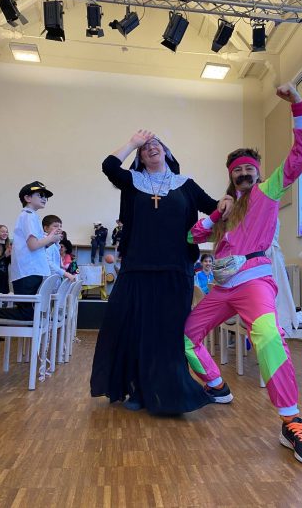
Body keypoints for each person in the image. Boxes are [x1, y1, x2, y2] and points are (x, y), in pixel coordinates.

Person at [184, 83, 302, 466]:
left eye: (249, 169)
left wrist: (298, 105)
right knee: (185, 337)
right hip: (222, 287)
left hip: (255, 282)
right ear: (231, 176)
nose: (244, 173)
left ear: (257, 173)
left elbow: (300, 155)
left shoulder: (267, 192)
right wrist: (217, 213)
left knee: (268, 337)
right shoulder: (225, 209)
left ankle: (291, 422)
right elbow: (193, 236)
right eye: (238, 170)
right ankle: (217, 385)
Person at [90, 130, 232, 414]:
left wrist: (228, 199)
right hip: (137, 269)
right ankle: (138, 390)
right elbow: (109, 166)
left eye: (156, 145)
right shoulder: (133, 181)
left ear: (167, 153)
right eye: (145, 148)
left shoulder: (185, 184)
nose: (151, 148)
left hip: (176, 270)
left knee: (168, 333)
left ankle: (168, 391)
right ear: (140, 158)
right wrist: (132, 142)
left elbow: (215, 209)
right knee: (134, 330)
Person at [0, 181, 61, 320]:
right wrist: (51, 237)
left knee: (31, 312)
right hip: (28, 271)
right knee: (28, 313)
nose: (44, 198)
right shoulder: (28, 215)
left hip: (32, 270)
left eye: (45, 196)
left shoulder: (32, 216)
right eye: (40, 195)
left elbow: (36, 246)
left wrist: (51, 239)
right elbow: (33, 245)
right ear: (27, 198)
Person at [42, 215, 75, 284]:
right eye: (55, 226)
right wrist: (65, 273)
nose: (59, 229)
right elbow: (48, 263)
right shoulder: (45, 241)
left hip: (53, 279)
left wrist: (57, 241)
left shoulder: (54, 243)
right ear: (46, 228)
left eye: (60, 226)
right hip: (47, 279)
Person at [0, 224, 12, 294]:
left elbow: (11, 263)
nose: (5, 233)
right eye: (2, 232)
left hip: (4, 277)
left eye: (6, 232)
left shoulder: (8, 245)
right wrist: (4, 255)